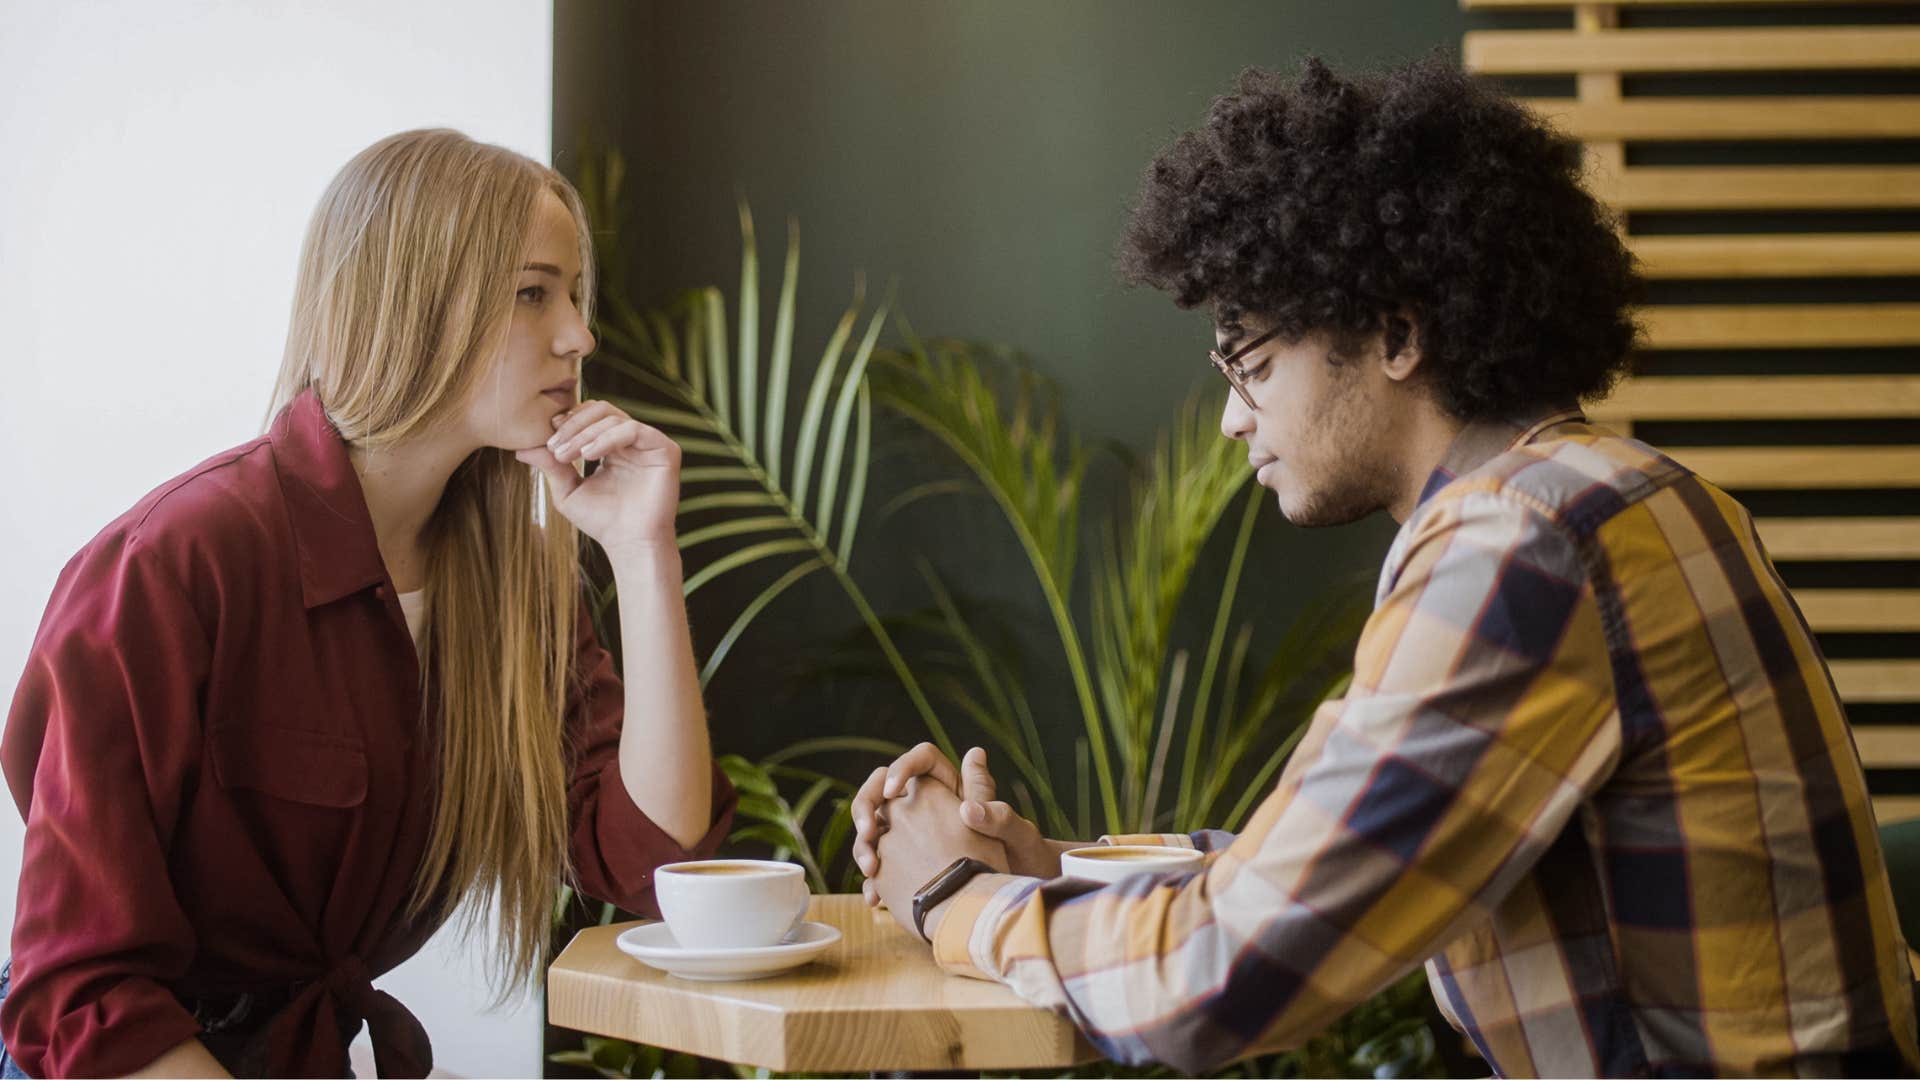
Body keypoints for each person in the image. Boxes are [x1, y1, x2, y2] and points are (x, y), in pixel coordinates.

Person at [852, 57, 1920, 1077]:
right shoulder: (1627, 493)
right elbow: (1340, 855)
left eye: (1255, 365)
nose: (1231, 420)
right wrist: (1056, 872)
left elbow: (1226, 978)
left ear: (1398, 333)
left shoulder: (1525, 543)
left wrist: (952, 897)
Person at [0, 129, 735, 1078]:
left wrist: (643, 551)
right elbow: (82, 990)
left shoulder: (510, 586)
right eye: (532, 292)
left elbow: (650, 858)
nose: (579, 337)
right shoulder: (175, 564)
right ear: (419, 302)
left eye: (574, 296)